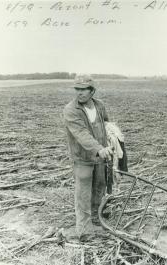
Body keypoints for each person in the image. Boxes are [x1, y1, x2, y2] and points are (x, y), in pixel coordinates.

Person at [63, 75, 113, 239]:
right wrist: (99, 149)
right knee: (83, 194)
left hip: (100, 157)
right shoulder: (71, 110)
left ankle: (96, 219)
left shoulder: (99, 105)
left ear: (92, 91)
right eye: (77, 89)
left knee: (99, 187)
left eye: (84, 89)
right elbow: (81, 134)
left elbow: (106, 124)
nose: (80, 93)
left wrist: (112, 137)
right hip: (83, 158)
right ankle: (84, 230)